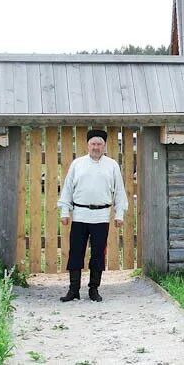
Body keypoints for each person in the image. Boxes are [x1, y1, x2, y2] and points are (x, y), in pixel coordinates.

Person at [57, 128, 128, 302]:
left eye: (99, 144)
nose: (96, 147)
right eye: (93, 144)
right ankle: (73, 290)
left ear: (104, 146)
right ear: (87, 145)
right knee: (76, 253)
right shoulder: (77, 164)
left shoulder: (112, 165)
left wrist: (119, 214)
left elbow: (119, 191)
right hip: (80, 215)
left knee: (98, 254)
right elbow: (67, 189)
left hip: (101, 217)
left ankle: (93, 289)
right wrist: (65, 211)